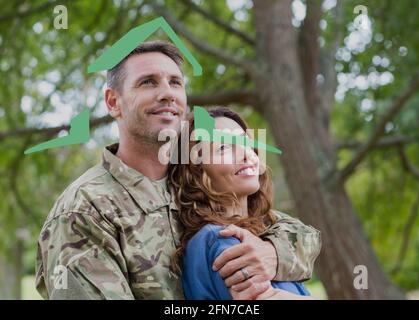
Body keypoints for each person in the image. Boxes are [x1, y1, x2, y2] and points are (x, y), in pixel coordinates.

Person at [36, 41, 321, 300]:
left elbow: (301, 234)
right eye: (148, 82)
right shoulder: (85, 211)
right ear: (113, 102)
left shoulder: (197, 181)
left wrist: (272, 253)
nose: (167, 94)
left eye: (175, 83)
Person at [169, 107, 321, 300]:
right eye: (223, 147)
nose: (245, 154)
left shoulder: (263, 230)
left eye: (245, 142)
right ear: (195, 173)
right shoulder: (221, 239)